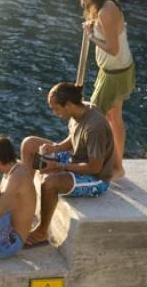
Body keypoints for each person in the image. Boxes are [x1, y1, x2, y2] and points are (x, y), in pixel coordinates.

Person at [22, 82, 115, 246]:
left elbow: (95, 167)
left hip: (95, 177)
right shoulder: (79, 111)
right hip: (76, 159)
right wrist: (56, 147)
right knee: (29, 145)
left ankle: (42, 232)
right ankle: (25, 201)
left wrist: (59, 166)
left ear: (69, 105)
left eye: (55, 108)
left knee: (49, 183)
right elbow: (74, 138)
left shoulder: (95, 127)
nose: (54, 112)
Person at [77, 0, 136, 179]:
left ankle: (107, 165)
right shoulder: (103, 6)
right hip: (116, 70)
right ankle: (117, 166)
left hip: (114, 73)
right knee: (114, 118)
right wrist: (94, 26)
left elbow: (112, 48)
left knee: (93, 118)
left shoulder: (105, 11)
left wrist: (91, 36)